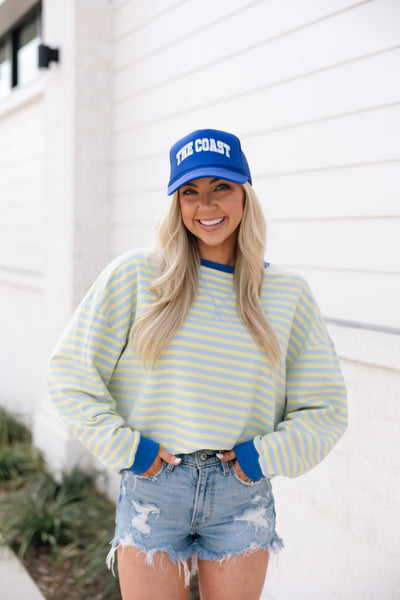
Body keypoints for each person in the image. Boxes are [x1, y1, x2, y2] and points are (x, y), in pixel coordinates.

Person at [47, 128, 347, 600]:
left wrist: (260, 459)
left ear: (245, 195)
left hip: (240, 494)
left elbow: (327, 407)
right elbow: (70, 376)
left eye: (221, 188)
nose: (206, 207)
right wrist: (132, 451)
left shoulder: (287, 293)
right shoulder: (137, 276)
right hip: (155, 489)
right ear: (177, 203)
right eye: (191, 193)